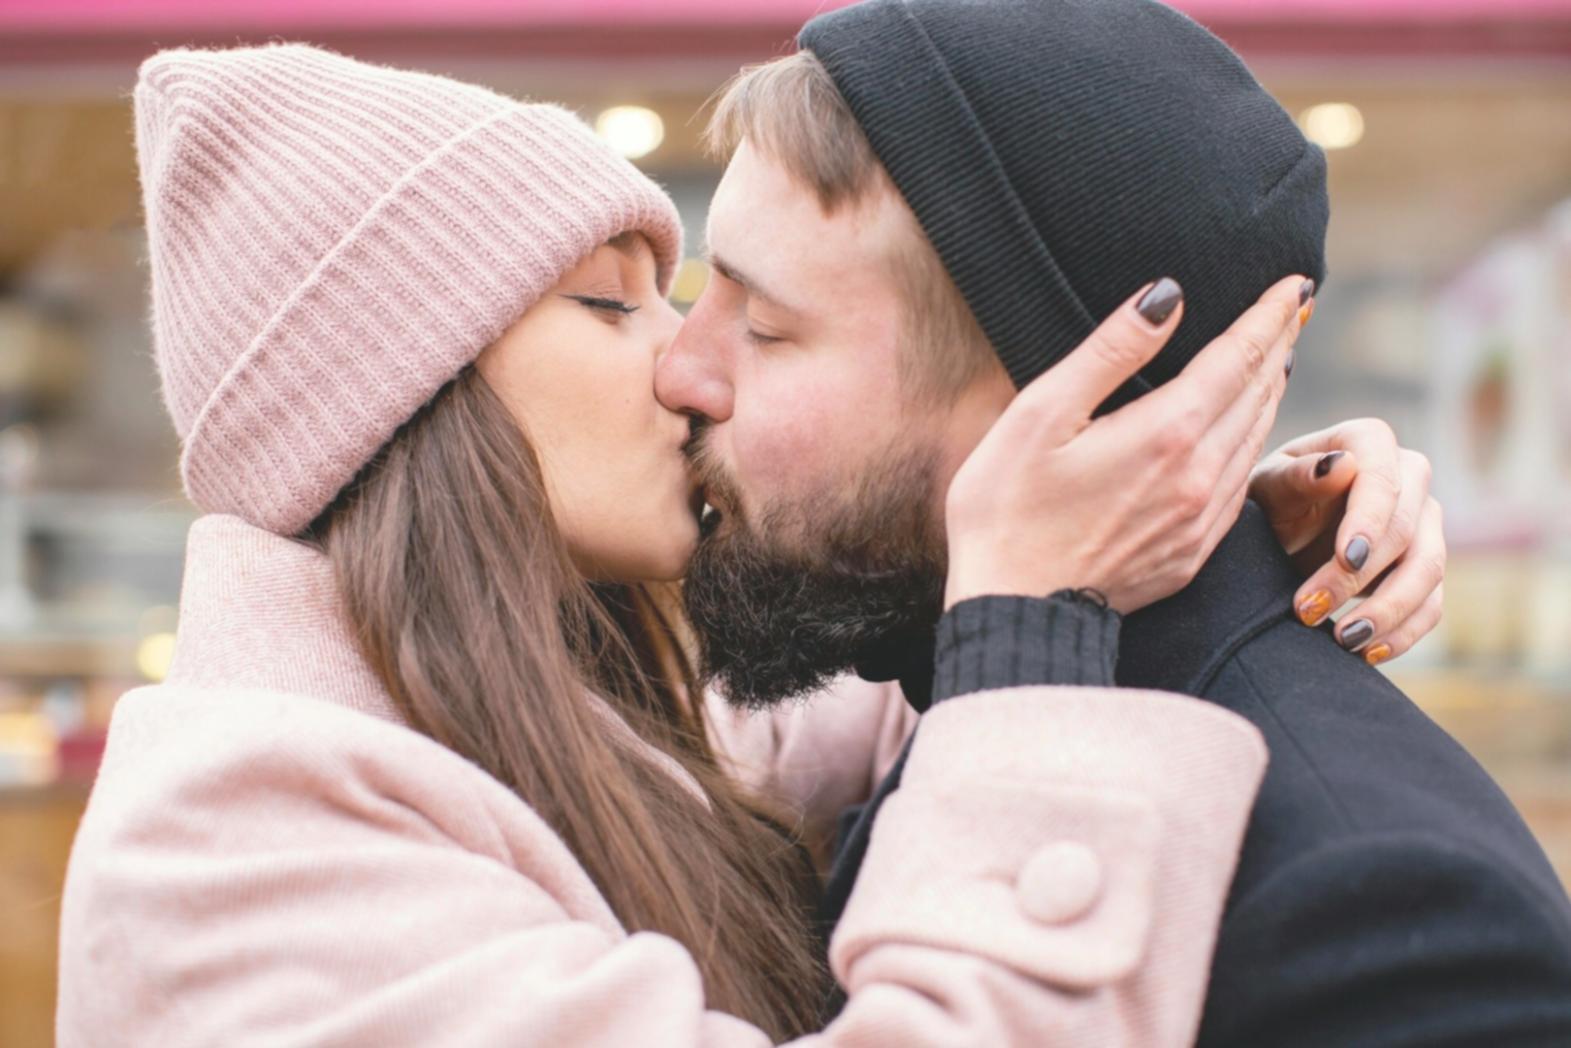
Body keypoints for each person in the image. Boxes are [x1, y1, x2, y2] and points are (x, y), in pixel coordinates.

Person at [57, 43, 1440, 1047]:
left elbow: (862, 639)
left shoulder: (571, 709)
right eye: (613, 307)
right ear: (402, 393)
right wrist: (1040, 604)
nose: (683, 367)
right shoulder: (236, 852)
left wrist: (1206, 501)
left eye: (738, 315)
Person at [659, 0, 1571, 1042]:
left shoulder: (1392, 915)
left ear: (1066, 406)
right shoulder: (945, 688)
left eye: (765, 325)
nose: (678, 370)